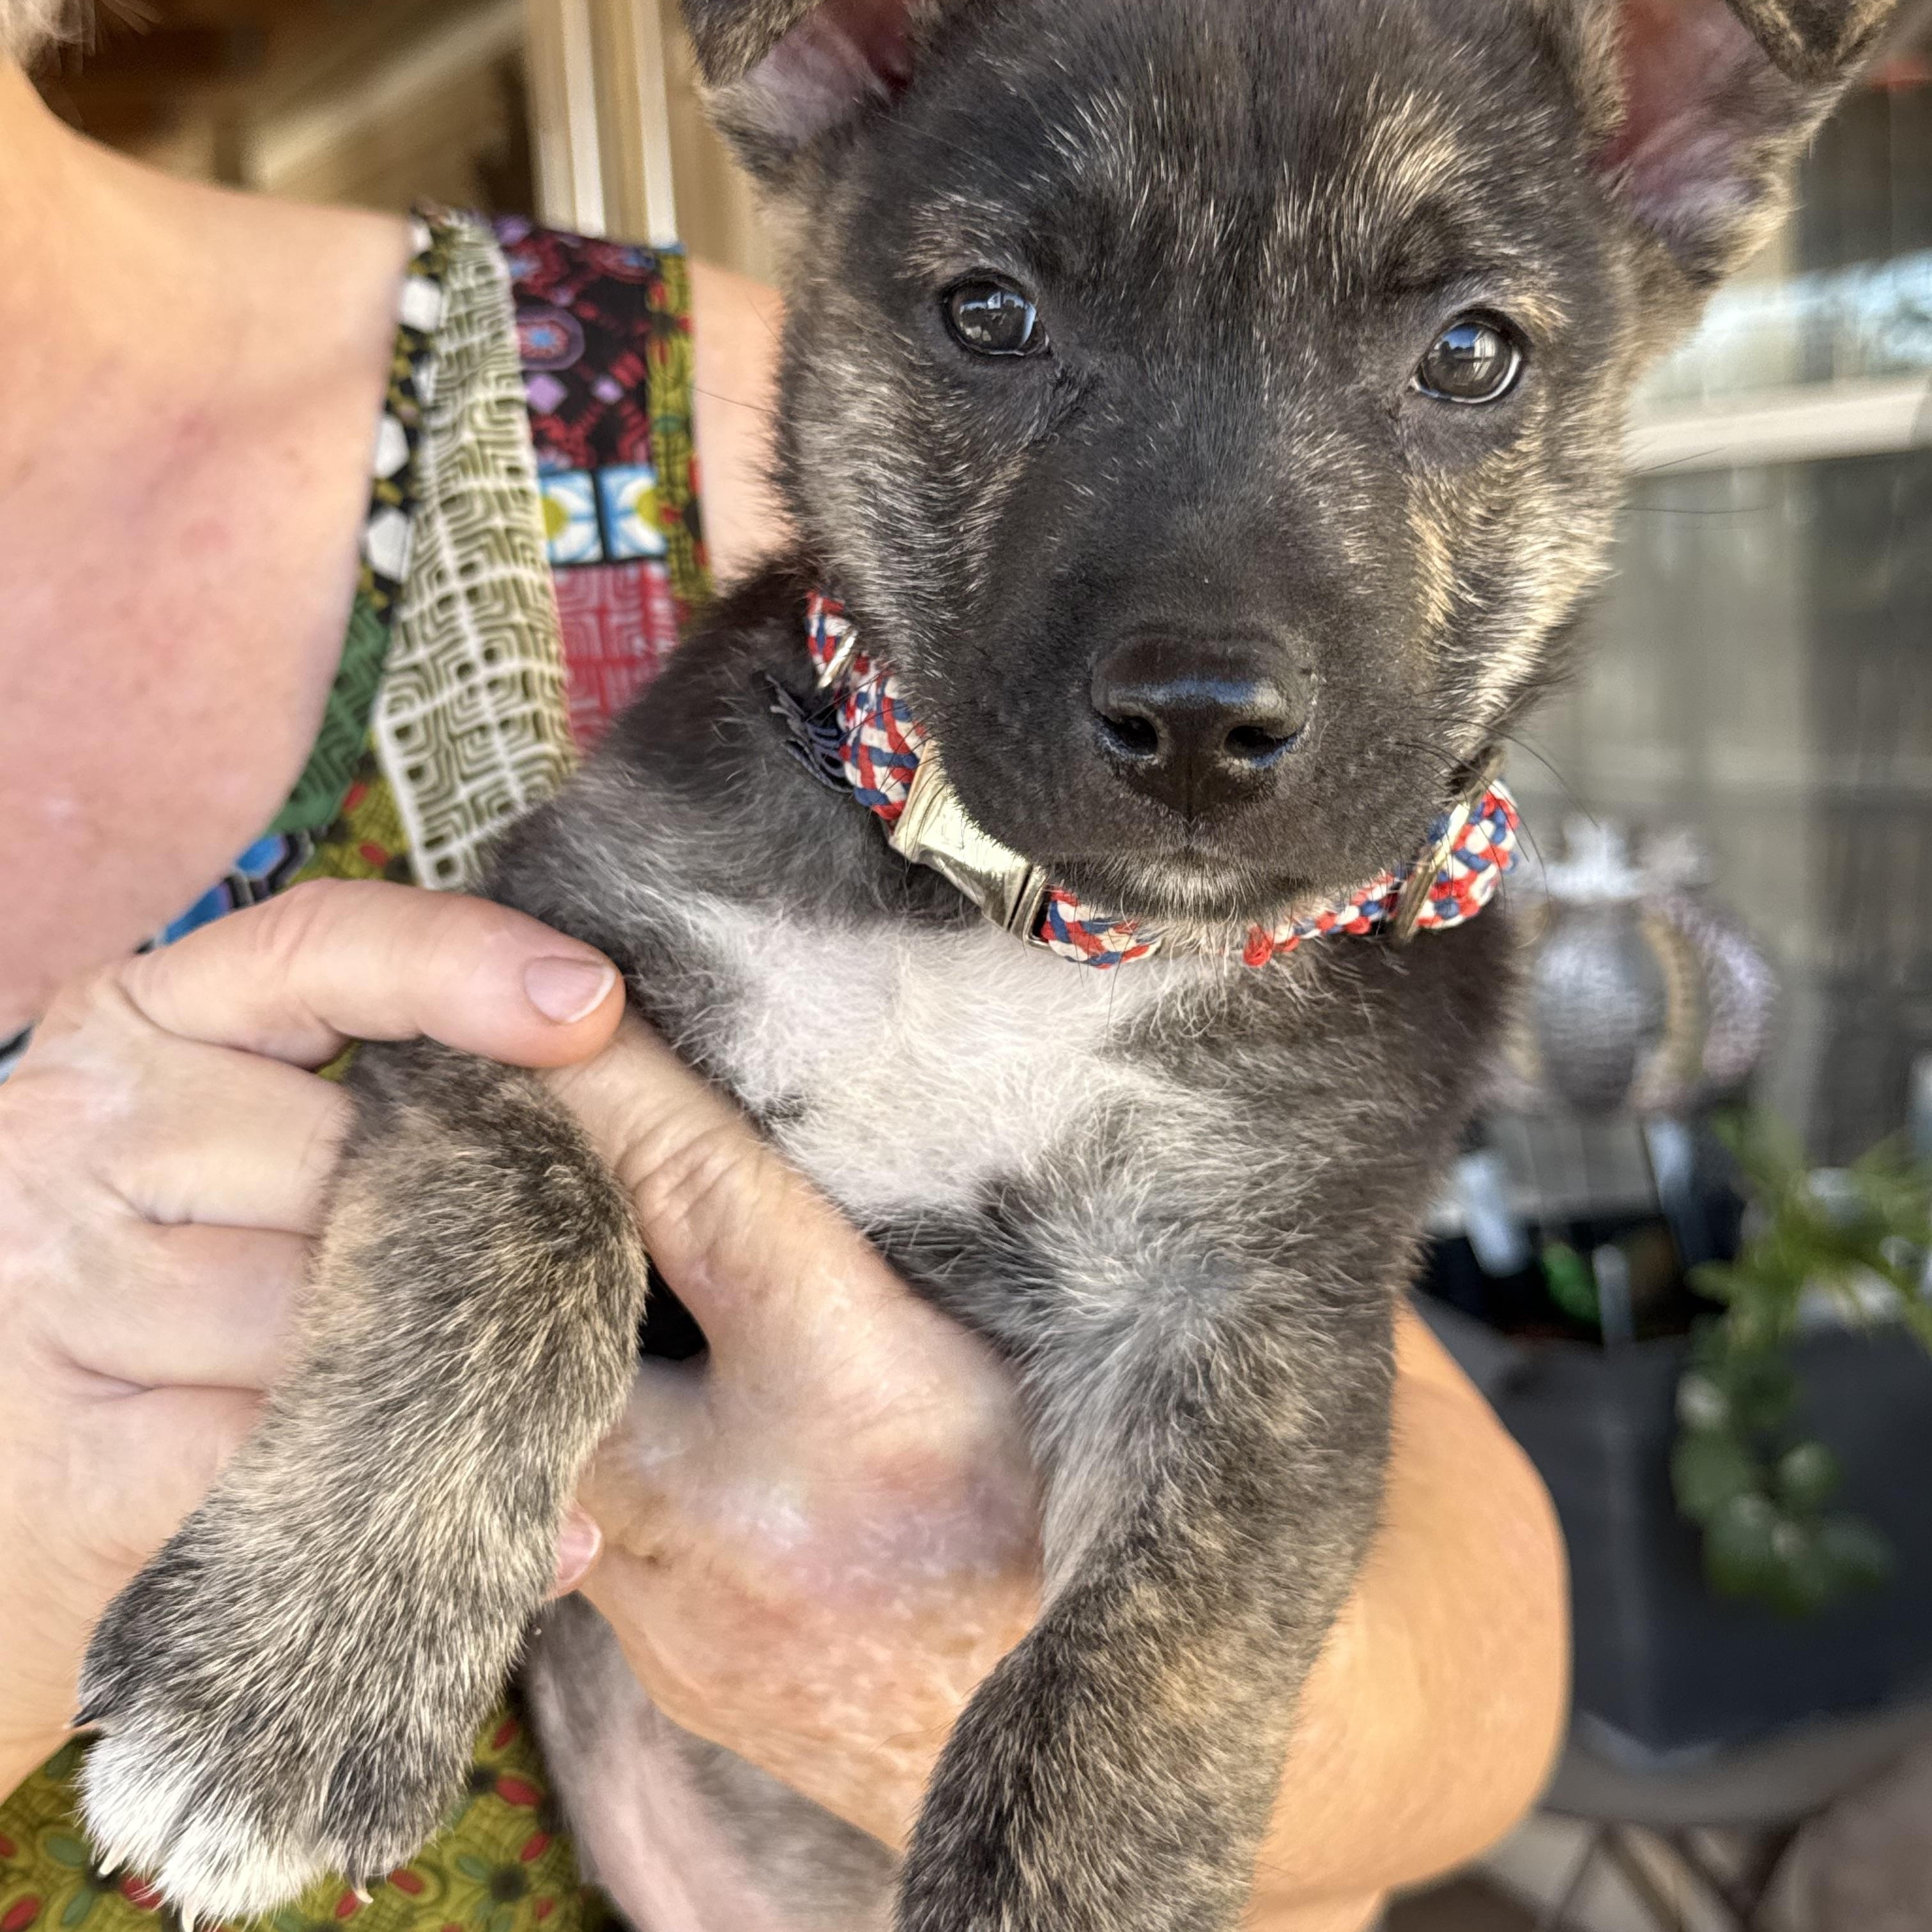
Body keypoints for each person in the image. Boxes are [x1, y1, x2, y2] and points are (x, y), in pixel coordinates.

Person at [0, 6, 1568, 1928]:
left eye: (1463, 353)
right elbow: (498, 1091)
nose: (1214, 644)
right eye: (997, 321)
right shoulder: (730, 767)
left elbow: (1433, 1613)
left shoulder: (622, 405)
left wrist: (1025, 1750)